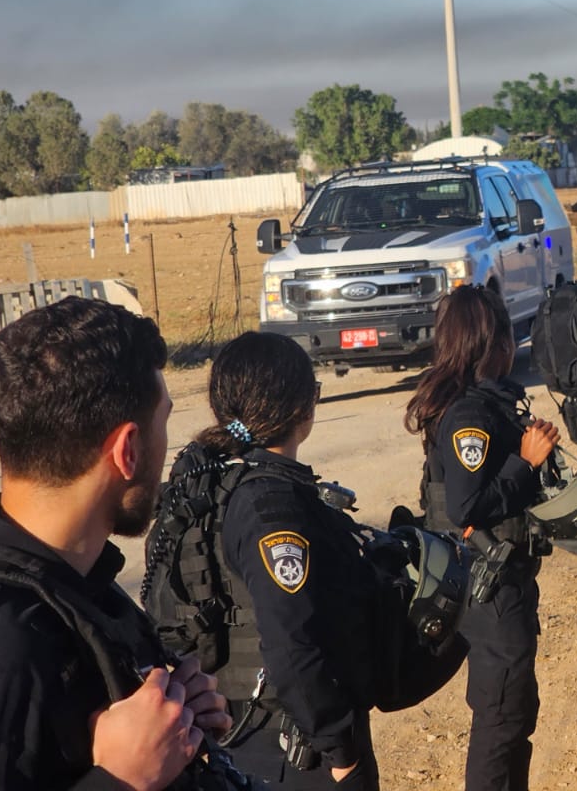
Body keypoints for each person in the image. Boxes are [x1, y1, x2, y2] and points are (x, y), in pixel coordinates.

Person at [0, 296, 235, 791]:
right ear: (128, 450)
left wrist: (178, 720)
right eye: (165, 422)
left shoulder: (79, 585)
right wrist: (121, 778)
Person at [155, 332, 401, 789]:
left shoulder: (218, 484)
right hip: (294, 751)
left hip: (248, 733)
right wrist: (340, 750)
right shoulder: (271, 506)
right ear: (300, 409)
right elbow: (293, 643)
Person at [404, 287, 559, 791]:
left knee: (516, 715)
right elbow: (466, 505)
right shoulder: (470, 414)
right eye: (507, 335)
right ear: (488, 345)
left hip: (498, 580)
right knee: (501, 718)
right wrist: (525, 462)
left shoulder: (485, 404)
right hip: (487, 586)